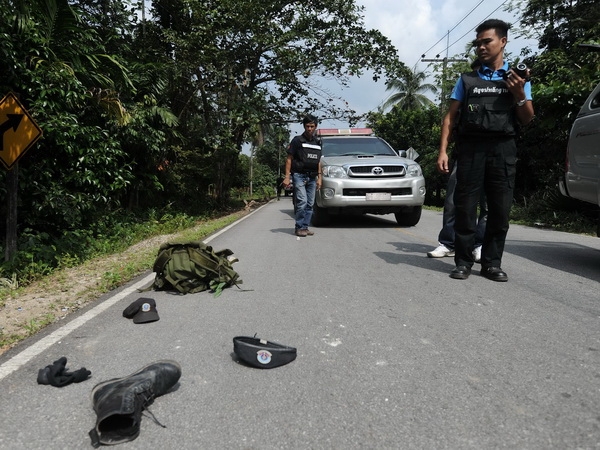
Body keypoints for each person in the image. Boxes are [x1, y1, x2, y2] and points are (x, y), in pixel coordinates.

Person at [436, 18, 534, 281]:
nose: (481, 47)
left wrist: (519, 94)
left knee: (499, 211)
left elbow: (527, 117)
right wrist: (443, 151)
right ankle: (463, 262)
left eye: (486, 41)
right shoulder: (467, 80)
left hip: (503, 150)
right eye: (478, 43)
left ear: (503, 42)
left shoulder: (518, 78)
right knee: (466, 207)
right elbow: (450, 117)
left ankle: (491, 263)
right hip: (470, 150)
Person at [427, 164, 487, 262]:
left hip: (491, 156)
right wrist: (443, 151)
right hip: (464, 155)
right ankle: (448, 244)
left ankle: (480, 246)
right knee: (452, 202)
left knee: (486, 205)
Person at [283, 115, 322, 237]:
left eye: (312, 126)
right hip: (299, 175)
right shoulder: (297, 140)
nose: (310, 129)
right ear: (304, 126)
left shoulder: (318, 142)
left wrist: (320, 177)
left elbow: (319, 161)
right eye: (307, 126)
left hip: (312, 177)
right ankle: (299, 227)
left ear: (315, 126)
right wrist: (287, 177)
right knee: (302, 202)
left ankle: (305, 227)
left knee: (310, 204)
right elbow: (289, 159)